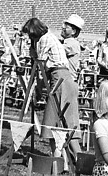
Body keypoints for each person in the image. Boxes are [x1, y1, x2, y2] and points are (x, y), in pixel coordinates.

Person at [20, 17, 81, 156]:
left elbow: (40, 63)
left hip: (60, 80)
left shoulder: (44, 39)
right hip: (60, 79)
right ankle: (59, 159)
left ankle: (77, 158)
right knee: (53, 123)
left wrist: (38, 87)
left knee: (64, 123)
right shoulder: (49, 38)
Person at [61, 13, 84, 80]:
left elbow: (57, 49)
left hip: (68, 79)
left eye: (66, 27)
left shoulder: (72, 43)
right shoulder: (66, 42)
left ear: (73, 31)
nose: (63, 28)